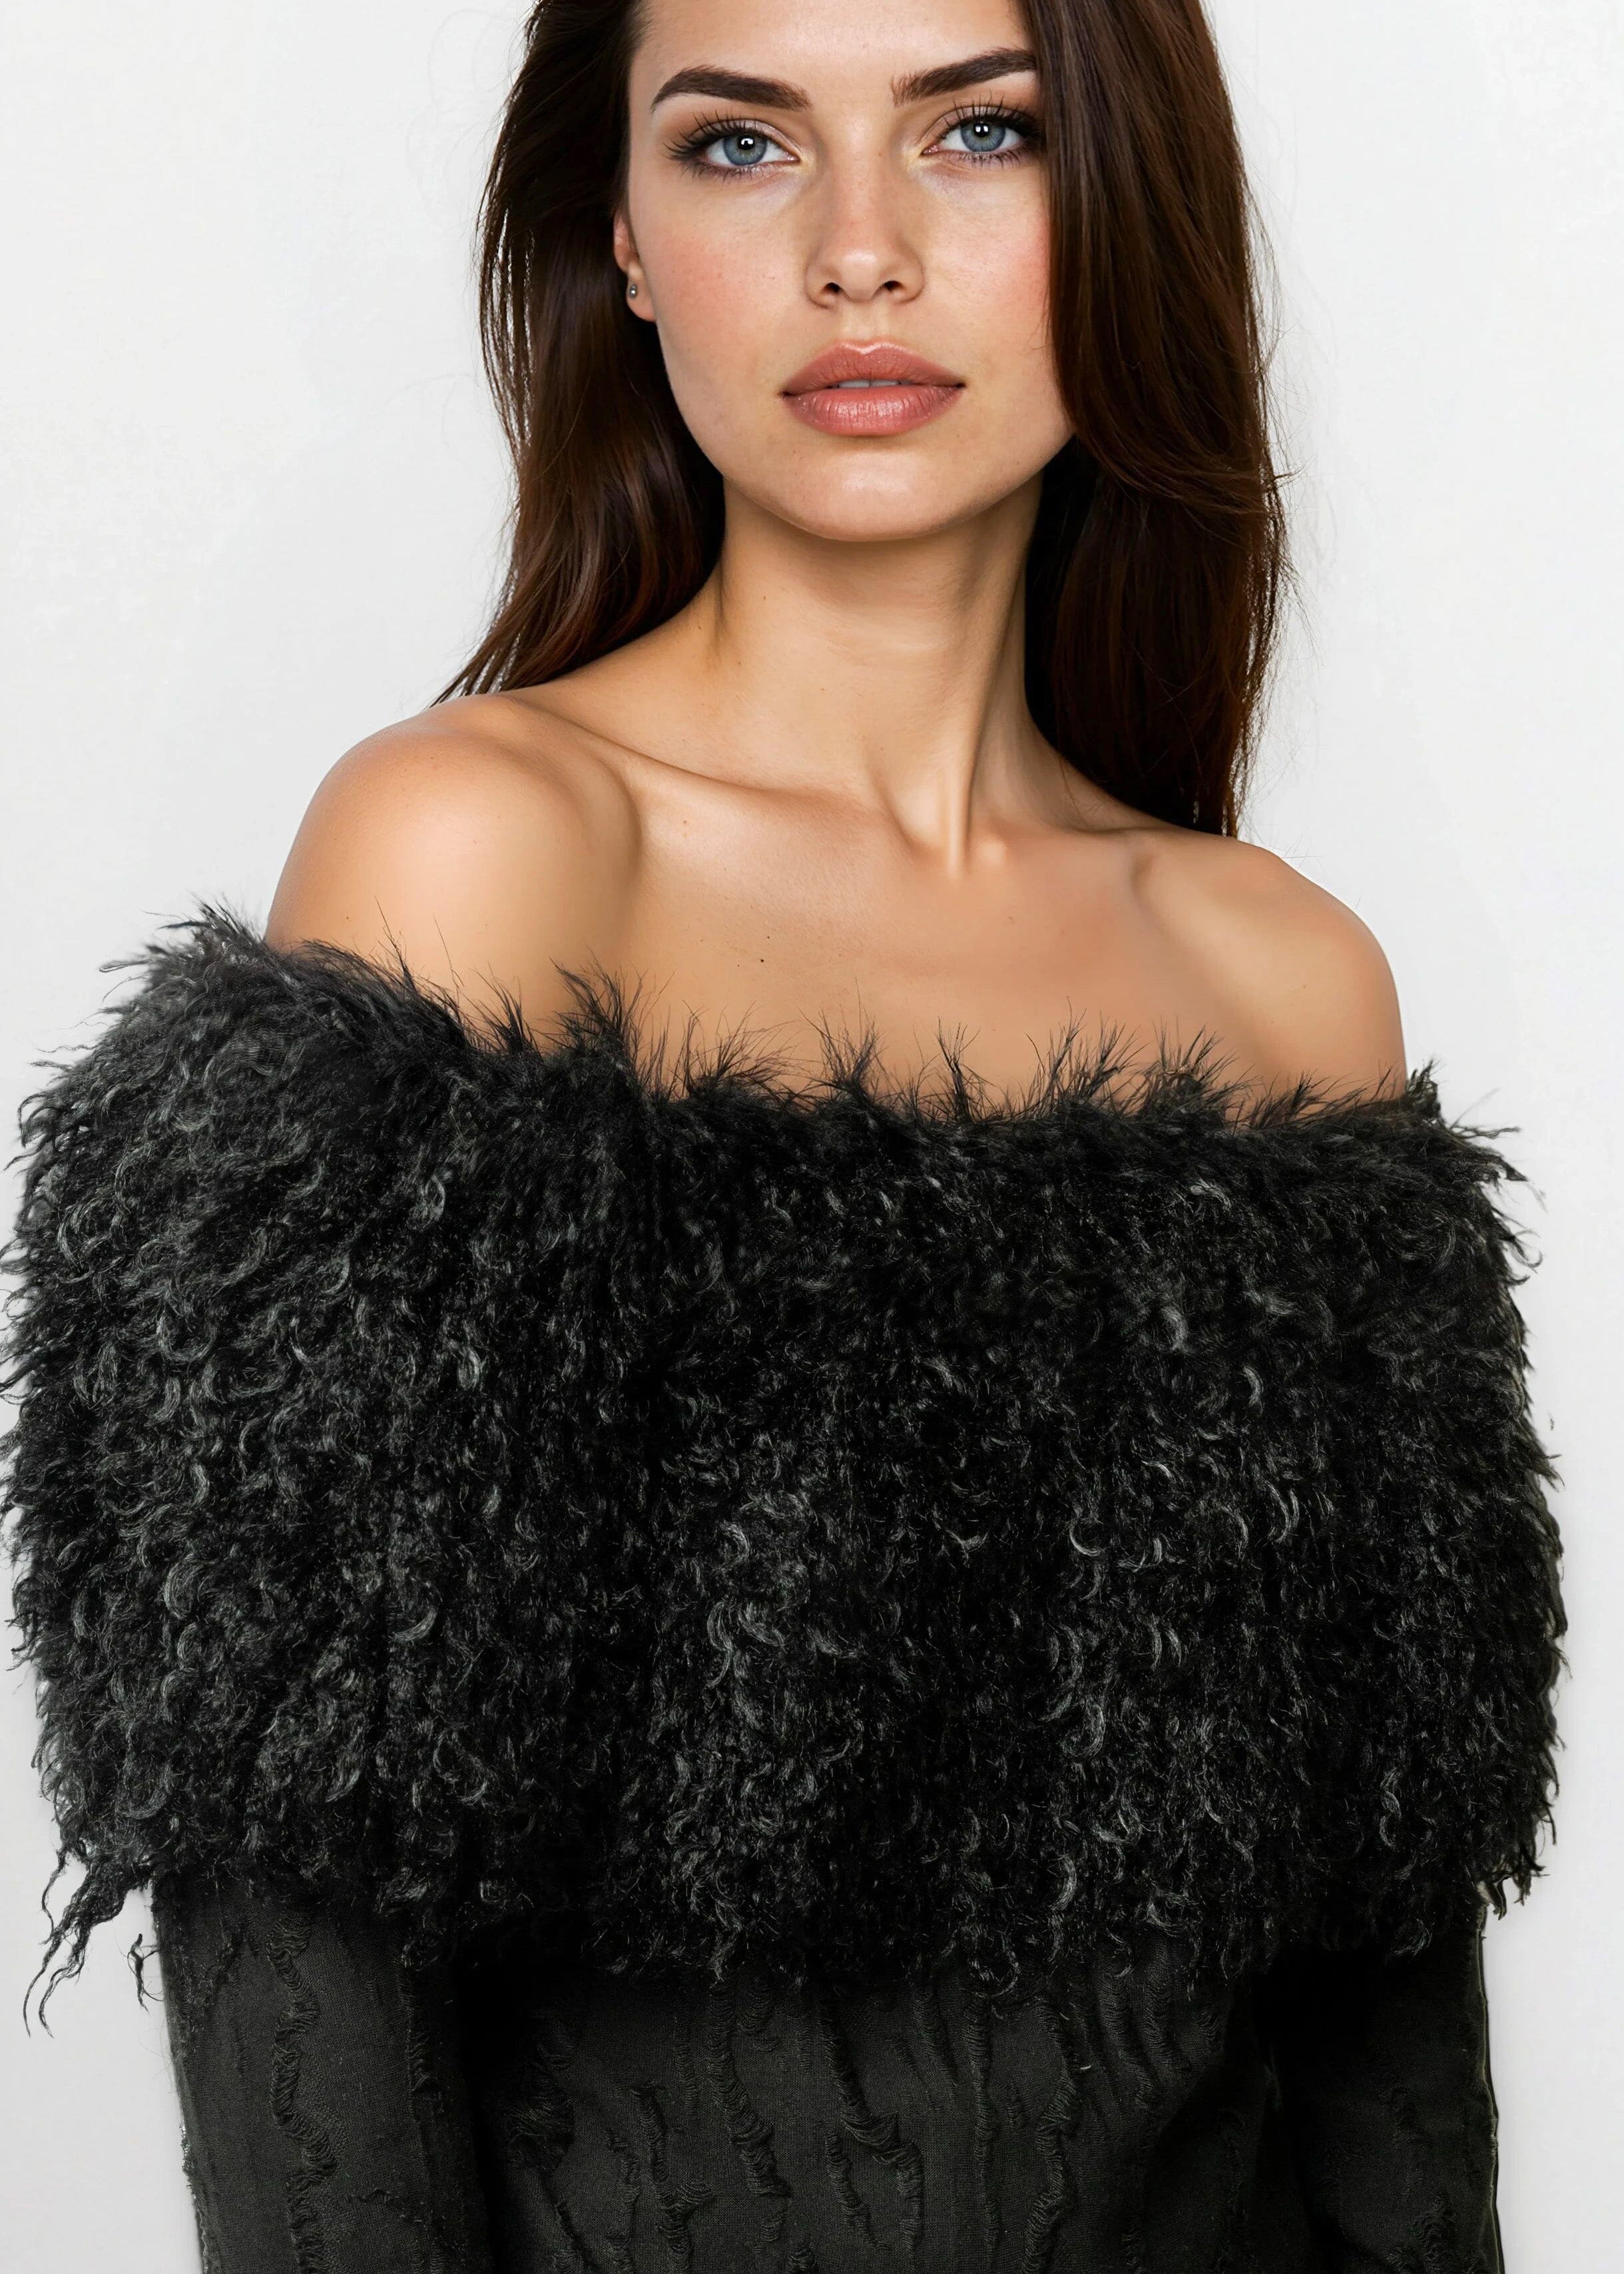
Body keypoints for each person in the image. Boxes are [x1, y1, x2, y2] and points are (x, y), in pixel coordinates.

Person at [1, 1, 1567, 2268]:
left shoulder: (1284, 988)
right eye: (740, 145)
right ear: (624, 242)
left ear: (1133, 197)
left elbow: (1388, 2047)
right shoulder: (481, 860)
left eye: (982, 134)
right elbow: (302, 1974)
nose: (860, 249)